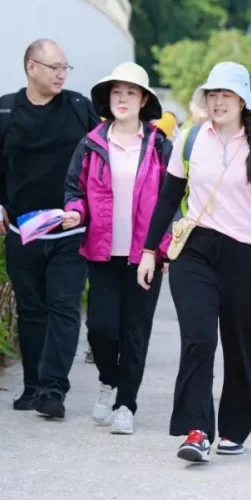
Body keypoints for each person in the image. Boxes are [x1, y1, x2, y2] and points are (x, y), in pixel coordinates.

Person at [137, 62, 251, 463]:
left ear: (242, 101)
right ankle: (196, 430)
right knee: (198, 339)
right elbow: (167, 197)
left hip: (249, 254)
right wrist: (148, 251)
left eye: (226, 95)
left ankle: (234, 428)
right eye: (212, 95)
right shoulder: (190, 139)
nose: (218, 102)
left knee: (243, 347)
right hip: (196, 250)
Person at [0, 39, 99, 418]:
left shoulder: (79, 108)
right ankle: (32, 387)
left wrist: (89, 208)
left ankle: (53, 390)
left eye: (65, 67)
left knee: (64, 308)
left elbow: (103, 156)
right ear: (31, 67)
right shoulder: (6, 110)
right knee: (30, 310)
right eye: (54, 67)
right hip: (22, 232)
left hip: (70, 232)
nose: (62, 74)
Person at [62, 62, 173, 435]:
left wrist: (162, 248)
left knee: (135, 331)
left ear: (143, 100)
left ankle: (126, 404)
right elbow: (75, 190)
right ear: (107, 99)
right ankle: (108, 381)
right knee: (100, 329)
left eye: (131, 92)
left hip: (145, 255)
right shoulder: (91, 143)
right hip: (102, 252)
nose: (122, 99)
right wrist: (75, 213)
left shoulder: (159, 144)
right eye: (116, 92)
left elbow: (173, 200)